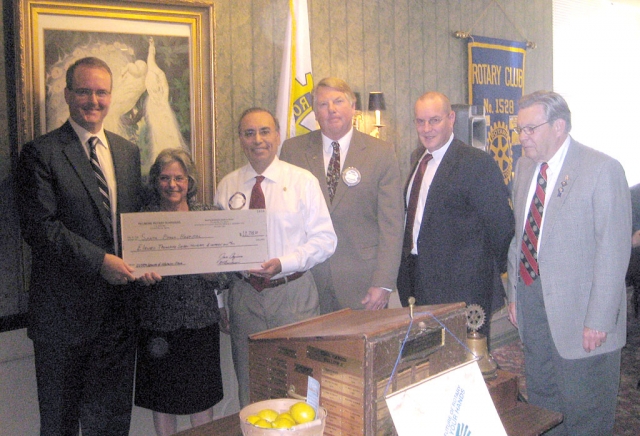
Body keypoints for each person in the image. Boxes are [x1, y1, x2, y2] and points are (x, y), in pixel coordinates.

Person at [17, 57, 144, 434]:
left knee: (113, 422)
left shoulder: (126, 152)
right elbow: (40, 228)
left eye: (101, 91)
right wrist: (101, 261)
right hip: (63, 319)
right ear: (68, 94)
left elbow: (132, 224)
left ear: (111, 96)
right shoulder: (41, 153)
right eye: (84, 90)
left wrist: (151, 258)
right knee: (60, 423)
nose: (94, 100)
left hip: (119, 316)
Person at [506, 91, 631, 435]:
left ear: (558, 126)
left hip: (583, 315)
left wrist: (600, 318)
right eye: (519, 130)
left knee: (585, 410)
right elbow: (520, 237)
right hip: (534, 304)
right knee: (543, 404)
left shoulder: (601, 169)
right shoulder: (524, 168)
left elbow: (613, 249)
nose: (522, 138)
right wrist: (515, 294)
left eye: (530, 129)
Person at [214, 108, 337, 407]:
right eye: (249, 133)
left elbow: (326, 240)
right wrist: (221, 302)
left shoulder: (302, 181)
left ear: (278, 135)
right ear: (241, 140)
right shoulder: (227, 186)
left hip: (293, 294)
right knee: (251, 385)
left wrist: (284, 262)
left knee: (299, 384)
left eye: (265, 131)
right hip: (244, 297)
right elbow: (218, 251)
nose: (258, 139)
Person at [280, 77, 404, 313]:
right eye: (324, 104)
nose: (332, 109)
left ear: (353, 106)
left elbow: (392, 224)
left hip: (363, 282)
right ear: (315, 112)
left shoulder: (381, 153)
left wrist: (383, 282)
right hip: (307, 281)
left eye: (338, 101)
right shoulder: (292, 151)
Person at [396, 91, 514, 339]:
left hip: (463, 290)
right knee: (429, 363)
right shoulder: (418, 159)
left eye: (434, 120)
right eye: (420, 121)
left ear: (451, 119)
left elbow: (502, 228)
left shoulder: (476, 163)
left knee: (465, 366)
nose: (426, 128)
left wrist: (485, 271)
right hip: (418, 283)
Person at [134, 148, 228, 435]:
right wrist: (142, 277)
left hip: (200, 323)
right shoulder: (142, 220)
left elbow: (229, 271)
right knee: (162, 400)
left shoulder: (209, 216)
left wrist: (214, 273)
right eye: (164, 178)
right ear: (155, 181)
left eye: (179, 177)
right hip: (157, 325)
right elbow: (131, 272)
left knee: (202, 398)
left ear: (190, 181)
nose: (172, 185)